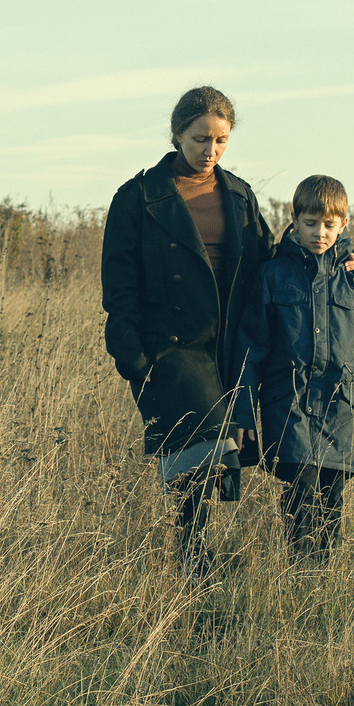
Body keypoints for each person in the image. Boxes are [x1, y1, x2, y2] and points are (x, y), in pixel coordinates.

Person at [99, 85, 278, 571]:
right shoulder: (138, 197)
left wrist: (348, 257)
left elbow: (270, 263)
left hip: (229, 342)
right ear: (178, 134)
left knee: (221, 448)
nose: (210, 151)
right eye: (201, 139)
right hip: (171, 344)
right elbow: (119, 285)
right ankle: (193, 554)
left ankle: (192, 558)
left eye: (221, 141)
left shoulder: (239, 195)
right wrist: (133, 356)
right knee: (197, 444)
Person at [239, 173, 354, 561]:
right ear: (294, 220)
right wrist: (242, 413)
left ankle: (319, 587)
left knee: (332, 502)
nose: (319, 233)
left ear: (344, 223)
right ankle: (301, 580)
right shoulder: (273, 274)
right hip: (288, 406)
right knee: (300, 495)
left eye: (328, 224)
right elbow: (251, 348)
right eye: (309, 223)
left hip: (341, 410)